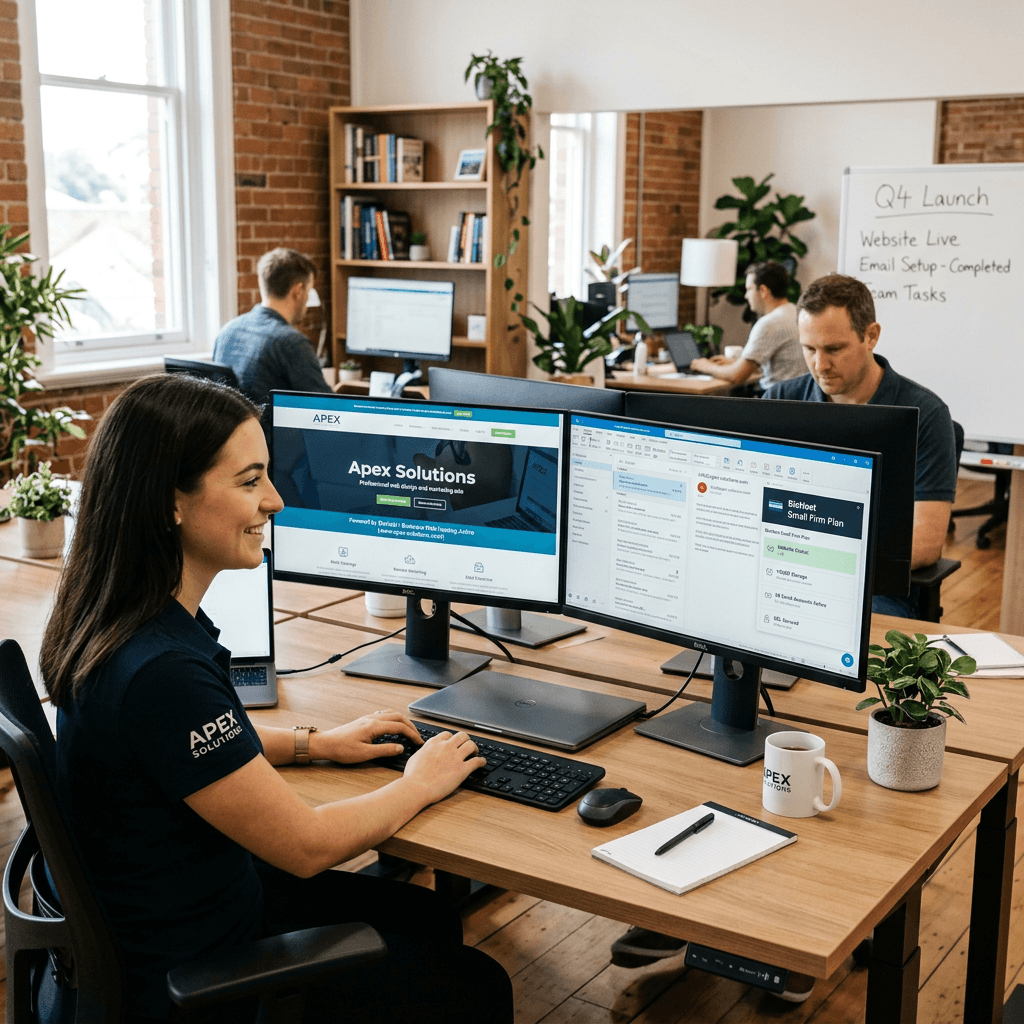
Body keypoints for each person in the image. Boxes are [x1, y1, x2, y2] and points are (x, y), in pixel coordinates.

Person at [39, 373, 514, 1023]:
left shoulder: (121, 620)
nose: (276, 501)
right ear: (169, 501)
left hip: (182, 911)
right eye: (249, 480)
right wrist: (420, 782)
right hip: (195, 972)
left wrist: (315, 744)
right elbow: (307, 845)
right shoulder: (163, 675)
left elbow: (178, 752)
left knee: (425, 914)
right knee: (477, 985)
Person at [765, 272, 958, 618]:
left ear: (871, 336)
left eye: (834, 349)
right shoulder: (779, 401)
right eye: (809, 349)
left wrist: (819, 562)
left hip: (875, 590)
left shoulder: (926, 414)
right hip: (782, 576)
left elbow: (926, 543)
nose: (820, 365)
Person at [213, 247, 332, 436]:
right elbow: (328, 409)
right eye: (309, 290)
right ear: (299, 290)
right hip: (277, 453)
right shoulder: (291, 342)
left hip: (238, 447)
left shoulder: (227, 330)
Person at [689, 261, 805, 390]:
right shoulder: (795, 312)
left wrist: (705, 366)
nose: (746, 295)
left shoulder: (769, 323)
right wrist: (737, 363)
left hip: (776, 401)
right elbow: (782, 364)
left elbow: (737, 376)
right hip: (798, 396)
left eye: (749, 289)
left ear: (763, 290)